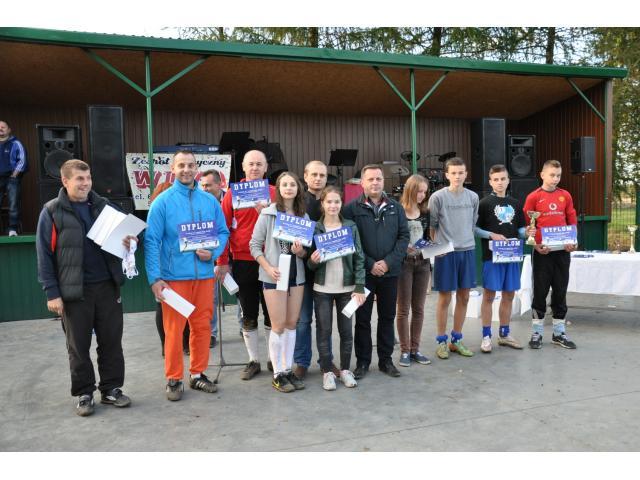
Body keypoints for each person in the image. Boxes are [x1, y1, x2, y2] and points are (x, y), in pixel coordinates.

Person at [36, 159, 132, 416]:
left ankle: (111, 389)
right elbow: (44, 255)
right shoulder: (51, 211)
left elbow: (132, 236)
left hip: (108, 287)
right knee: (78, 346)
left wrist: (130, 240)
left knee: (111, 342)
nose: (86, 183)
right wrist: (52, 292)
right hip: (74, 293)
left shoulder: (104, 206)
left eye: (88, 178)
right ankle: (84, 393)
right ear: (65, 180)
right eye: (79, 179)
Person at [145, 150, 230, 401]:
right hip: (174, 278)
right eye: (181, 165)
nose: (186, 170)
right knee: (174, 330)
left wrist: (214, 252)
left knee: (202, 326)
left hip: (203, 276)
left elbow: (223, 232)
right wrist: (155, 278)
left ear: (197, 169)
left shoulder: (209, 201)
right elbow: (151, 241)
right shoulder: (162, 202)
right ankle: (174, 378)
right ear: (173, 169)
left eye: (191, 165)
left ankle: (197, 374)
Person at [343, 164, 409, 379]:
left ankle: (385, 361)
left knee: (387, 317)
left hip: (390, 273)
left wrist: (388, 263)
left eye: (378, 179)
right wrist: (371, 264)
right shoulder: (351, 209)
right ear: (362, 182)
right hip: (364, 275)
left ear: (383, 181)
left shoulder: (396, 208)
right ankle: (362, 362)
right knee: (362, 320)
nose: (375, 183)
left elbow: (403, 237)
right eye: (370, 179)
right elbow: (349, 242)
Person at [216, 150, 275, 380]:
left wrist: (267, 212)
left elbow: (285, 224)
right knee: (248, 314)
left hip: (270, 262)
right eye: (251, 164)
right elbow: (223, 229)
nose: (255, 168)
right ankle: (254, 360)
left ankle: (273, 359)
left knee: (272, 314)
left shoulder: (274, 193)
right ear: (243, 166)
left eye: (259, 164)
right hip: (243, 262)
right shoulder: (232, 194)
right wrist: (222, 261)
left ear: (266, 167)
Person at [249, 172, 308, 393]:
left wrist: (301, 252)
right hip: (274, 275)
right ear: (278, 189)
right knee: (278, 325)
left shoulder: (303, 216)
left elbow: (306, 251)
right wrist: (267, 267)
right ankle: (277, 374)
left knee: (292, 323)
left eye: (293, 184)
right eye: (284, 184)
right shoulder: (268, 214)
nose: (289, 188)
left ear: (298, 188)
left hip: (296, 275)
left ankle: (287, 369)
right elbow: (254, 245)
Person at [307, 186, 366, 390]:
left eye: (337, 202)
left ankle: (345, 370)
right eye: (329, 202)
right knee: (324, 331)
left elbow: (359, 257)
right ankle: (327, 372)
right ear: (322, 204)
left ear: (342, 203)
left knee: (346, 332)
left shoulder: (350, 226)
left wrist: (359, 286)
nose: (333, 205)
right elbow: (309, 264)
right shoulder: (315, 228)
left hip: (347, 289)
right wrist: (313, 261)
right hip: (322, 288)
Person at [523, 159, 578, 350]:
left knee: (560, 291)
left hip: (562, 252)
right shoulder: (533, 197)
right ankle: (536, 333)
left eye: (558, 175)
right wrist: (536, 244)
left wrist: (573, 240)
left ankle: (559, 333)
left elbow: (571, 219)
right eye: (552, 175)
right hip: (542, 252)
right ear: (542, 175)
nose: (555, 179)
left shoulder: (565, 195)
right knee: (540, 292)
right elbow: (528, 226)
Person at [475, 165, 530, 353]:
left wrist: (527, 232)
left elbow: (520, 230)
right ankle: (486, 336)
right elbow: (475, 229)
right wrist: (491, 235)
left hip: (512, 256)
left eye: (503, 179)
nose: (500, 182)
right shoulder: (484, 203)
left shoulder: (516, 203)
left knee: (509, 295)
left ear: (508, 180)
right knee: (489, 296)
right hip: (492, 257)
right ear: (490, 182)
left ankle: (504, 334)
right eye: (496, 179)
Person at [428, 157, 479, 359]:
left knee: (464, 296)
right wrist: (437, 249)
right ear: (447, 175)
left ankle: (456, 340)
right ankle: (441, 341)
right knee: (445, 298)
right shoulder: (437, 197)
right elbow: (432, 226)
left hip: (467, 250)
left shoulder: (473, 197)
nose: (457, 176)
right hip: (446, 253)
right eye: (454, 173)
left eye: (461, 173)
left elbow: (472, 223)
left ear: (466, 174)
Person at [293, 159, 335, 380]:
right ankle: (301, 362)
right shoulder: (298, 203)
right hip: (304, 271)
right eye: (314, 175)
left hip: (329, 272)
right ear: (305, 176)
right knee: (303, 320)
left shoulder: (333, 201)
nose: (318, 178)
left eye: (322, 175)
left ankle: (326, 361)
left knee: (325, 322)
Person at [149, 181, 190, 357]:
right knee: (164, 304)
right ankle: (168, 345)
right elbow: (152, 241)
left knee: (184, 305)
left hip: (184, 265)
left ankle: (184, 343)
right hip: (165, 266)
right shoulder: (159, 210)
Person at [396, 174, 432, 367]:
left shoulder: (426, 212)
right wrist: (404, 247)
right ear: (410, 190)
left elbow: (427, 238)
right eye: (419, 191)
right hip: (403, 264)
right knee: (403, 309)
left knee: (419, 308)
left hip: (423, 263)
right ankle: (404, 350)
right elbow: (392, 238)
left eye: (425, 192)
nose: (422, 195)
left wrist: (434, 248)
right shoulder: (398, 211)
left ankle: (415, 349)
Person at [200, 169, 225, 348]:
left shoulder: (232, 199)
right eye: (202, 185)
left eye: (208, 185)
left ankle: (244, 326)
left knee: (239, 293)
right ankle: (211, 333)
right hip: (209, 255)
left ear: (219, 184)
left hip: (232, 254)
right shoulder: (200, 202)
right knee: (211, 297)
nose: (205, 189)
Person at [0, 120, 28, 236]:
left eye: (3, 127)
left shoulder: (16, 143)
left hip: (12, 178)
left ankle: (12, 229)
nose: (0, 129)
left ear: (9, 130)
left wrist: (14, 175)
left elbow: (22, 160)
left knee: (13, 204)